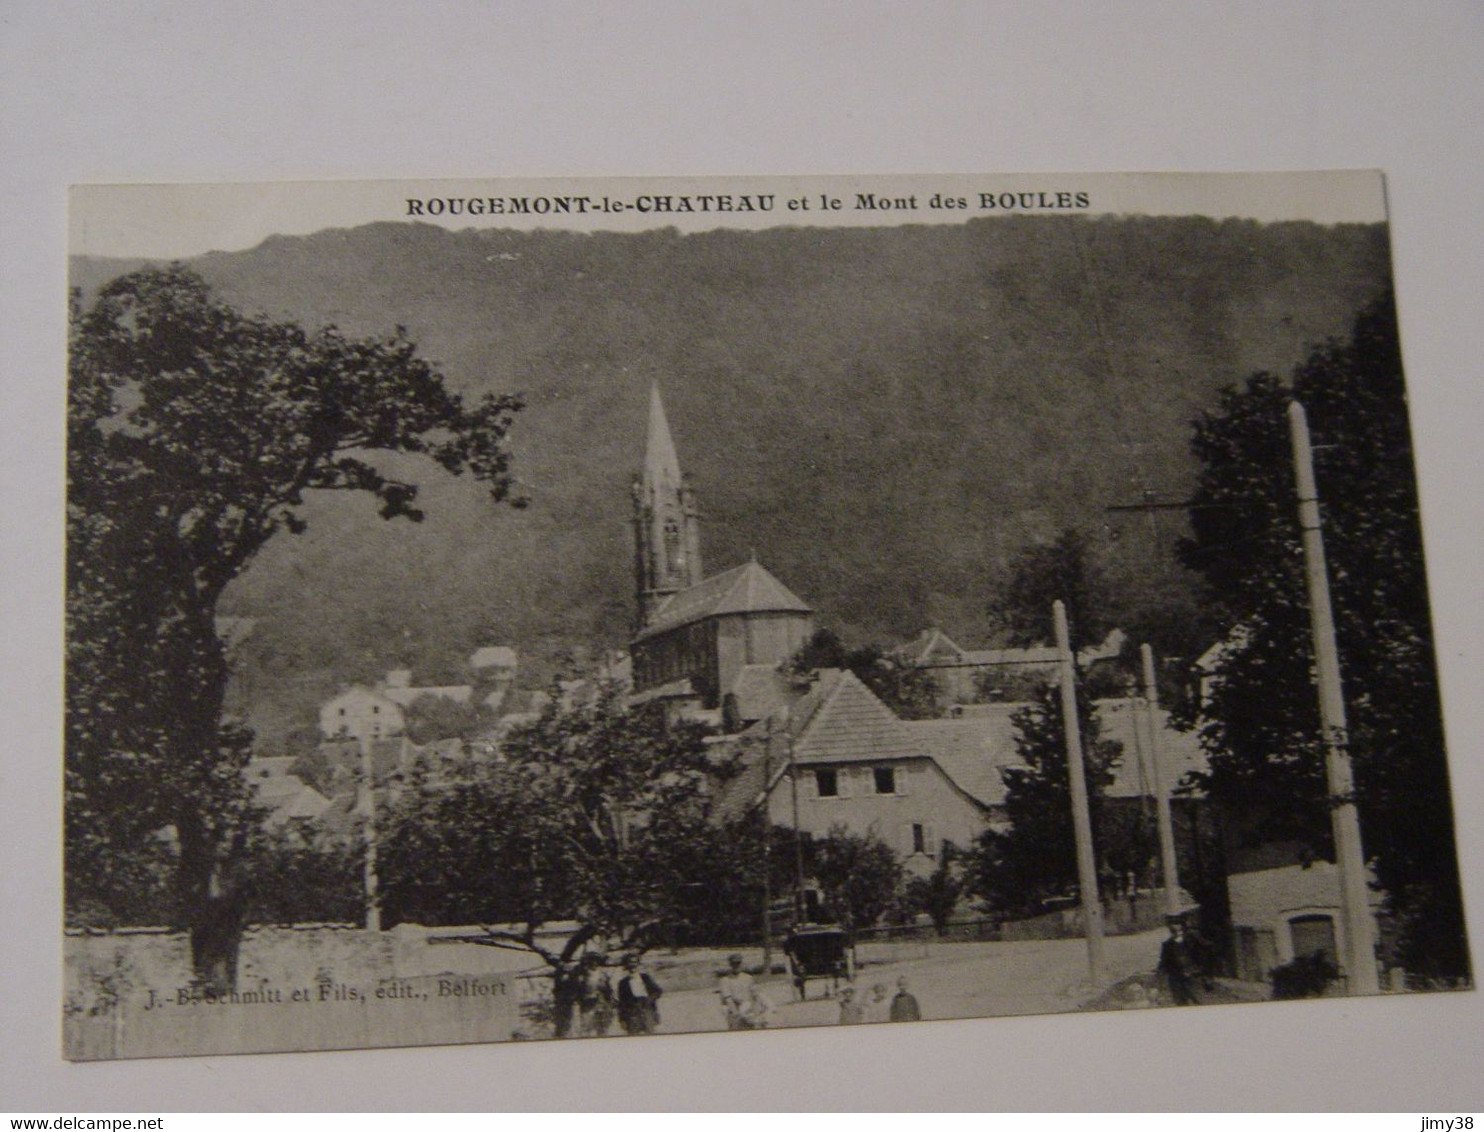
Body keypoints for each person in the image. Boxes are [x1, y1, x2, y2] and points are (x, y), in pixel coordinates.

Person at [1157, 915, 1201, 1006]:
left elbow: (1200, 955)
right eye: (1173, 925)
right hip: (1175, 978)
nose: (1176, 928)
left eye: (1178, 924)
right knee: (1180, 1001)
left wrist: (1197, 969)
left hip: (1193, 975)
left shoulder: (1191, 940)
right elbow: (1163, 961)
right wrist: (1160, 973)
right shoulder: (1167, 945)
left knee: (1197, 1000)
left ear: (1183, 926)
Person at [615, 953, 662, 1035]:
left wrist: (650, 999)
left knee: (650, 1036)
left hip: (646, 1010)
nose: (632, 964)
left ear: (638, 964)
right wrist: (622, 1020)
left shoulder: (645, 977)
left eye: (635, 962)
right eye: (630, 962)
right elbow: (621, 1003)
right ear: (626, 965)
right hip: (632, 1013)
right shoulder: (623, 983)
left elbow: (657, 991)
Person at [717, 952, 757, 1031]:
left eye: (738, 963)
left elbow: (755, 995)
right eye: (734, 964)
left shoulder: (748, 978)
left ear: (741, 963)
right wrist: (737, 1015)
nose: (736, 966)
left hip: (748, 1012)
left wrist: (754, 1011)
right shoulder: (725, 980)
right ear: (730, 965)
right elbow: (728, 999)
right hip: (734, 1012)